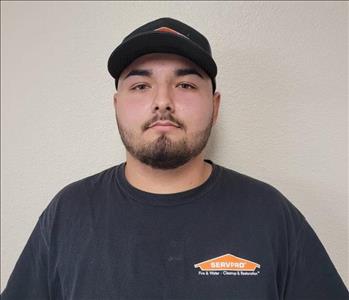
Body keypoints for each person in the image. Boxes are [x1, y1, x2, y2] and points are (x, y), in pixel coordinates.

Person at [1, 17, 348, 300]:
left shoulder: (271, 214)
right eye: (140, 86)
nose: (162, 101)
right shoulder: (68, 213)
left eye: (185, 85)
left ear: (215, 106)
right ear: (116, 105)